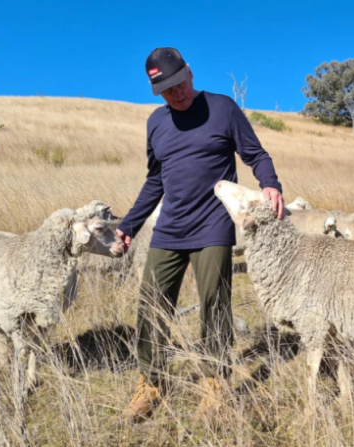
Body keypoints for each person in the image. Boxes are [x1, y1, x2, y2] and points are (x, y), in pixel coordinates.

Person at [116, 47, 284, 422]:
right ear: (157, 91)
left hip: (213, 226)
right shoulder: (156, 124)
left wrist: (270, 183)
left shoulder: (222, 108)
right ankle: (152, 384)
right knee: (151, 307)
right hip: (170, 229)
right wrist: (128, 226)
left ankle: (215, 387)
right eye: (167, 90)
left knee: (214, 307)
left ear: (190, 72)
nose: (177, 94)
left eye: (179, 83)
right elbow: (155, 181)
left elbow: (256, 154)